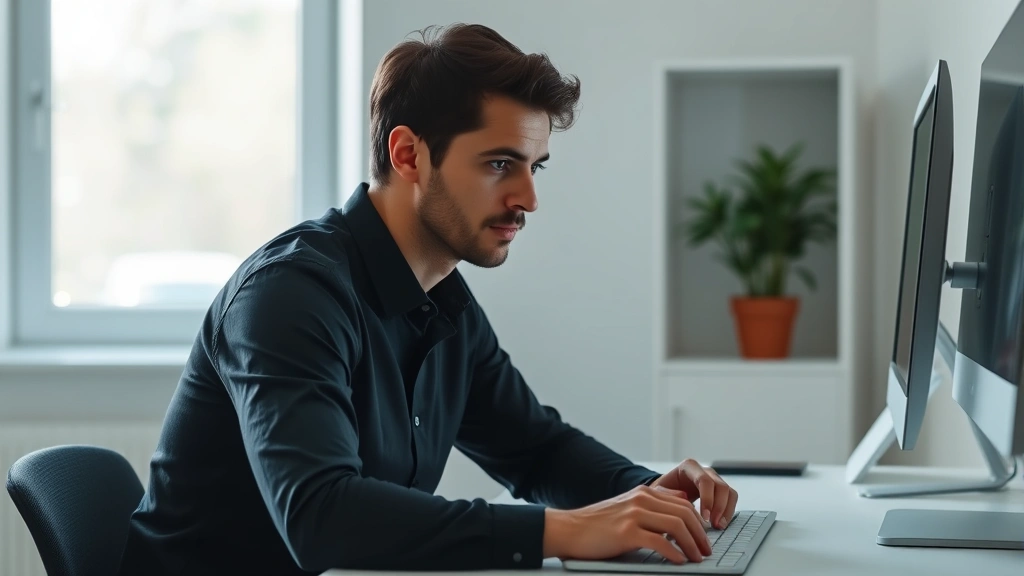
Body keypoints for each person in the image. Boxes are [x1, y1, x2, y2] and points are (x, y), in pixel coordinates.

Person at [116, 22, 738, 576]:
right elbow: (321, 515)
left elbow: (536, 448)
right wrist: (568, 530)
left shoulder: (443, 299)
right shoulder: (289, 295)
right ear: (409, 155)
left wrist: (650, 494)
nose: (528, 198)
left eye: (534, 167)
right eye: (500, 164)